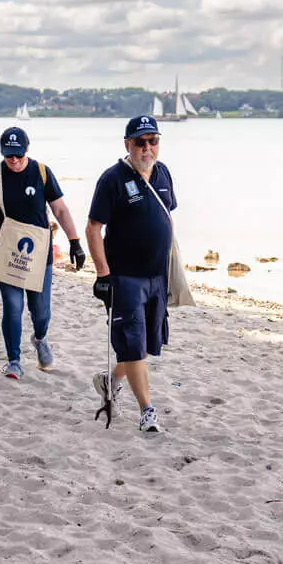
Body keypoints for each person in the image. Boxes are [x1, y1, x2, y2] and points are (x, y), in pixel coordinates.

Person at [0, 127, 85, 379]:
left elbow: (59, 209)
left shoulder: (41, 172)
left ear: (26, 150)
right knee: (13, 307)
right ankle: (14, 360)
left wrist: (75, 242)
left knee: (40, 310)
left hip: (39, 252)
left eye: (18, 155)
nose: (13, 160)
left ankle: (39, 338)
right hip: (6, 249)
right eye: (8, 155)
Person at [86, 115, 177, 434]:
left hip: (157, 278)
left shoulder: (163, 173)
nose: (147, 148)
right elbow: (93, 228)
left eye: (153, 141)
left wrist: (173, 265)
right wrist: (102, 274)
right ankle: (147, 410)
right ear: (128, 145)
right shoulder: (112, 179)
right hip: (125, 278)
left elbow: (167, 219)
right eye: (140, 142)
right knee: (134, 345)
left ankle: (110, 382)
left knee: (149, 346)